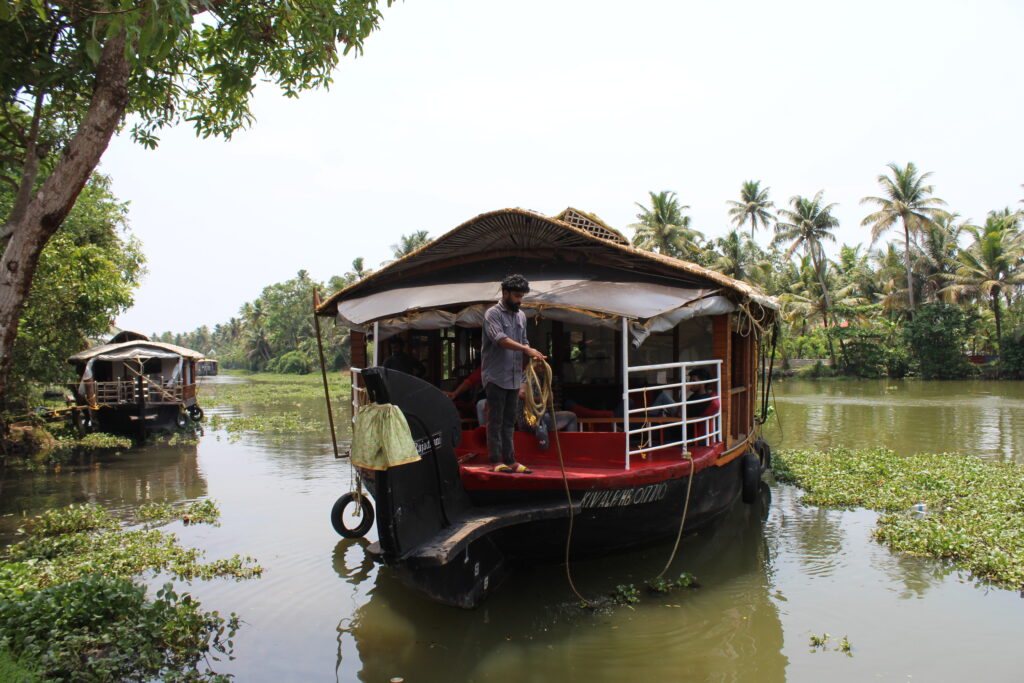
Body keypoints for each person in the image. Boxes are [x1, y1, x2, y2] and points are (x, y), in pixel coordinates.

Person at [482, 274, 546, 473]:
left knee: (510, 420)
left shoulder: (520, 316)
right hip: (495, 376)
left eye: (522, 296)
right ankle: (495, 461)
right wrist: (526, 350)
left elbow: (524, 341)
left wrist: (533, 354)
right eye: (517, 296)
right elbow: (500, 340)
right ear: (505, 293)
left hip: (513, 378)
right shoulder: (491, 314)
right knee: (496, 421)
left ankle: (510, 460)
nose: (520, 300)